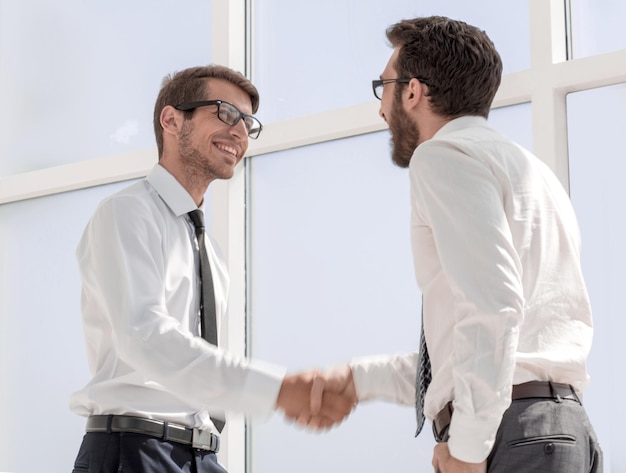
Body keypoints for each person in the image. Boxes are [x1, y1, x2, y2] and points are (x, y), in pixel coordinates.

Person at [311, 16, 603, 473]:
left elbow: (493, 308)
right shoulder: (532, 173)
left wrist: (467, 448)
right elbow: (468, 349)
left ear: (412, 91)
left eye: (383, 86)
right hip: (562, 429)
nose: (381, 110)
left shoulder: (443, 155)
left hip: (513, 433)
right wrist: (357, 380)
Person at [69, 64, 355, 473]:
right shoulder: (127, 213)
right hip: (135, 450)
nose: (240, 132)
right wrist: (276, 389)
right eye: (225, 112)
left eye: (248, 123)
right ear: (172, 119)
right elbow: (144, 336)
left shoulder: (209, 250)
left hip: (200, 455)